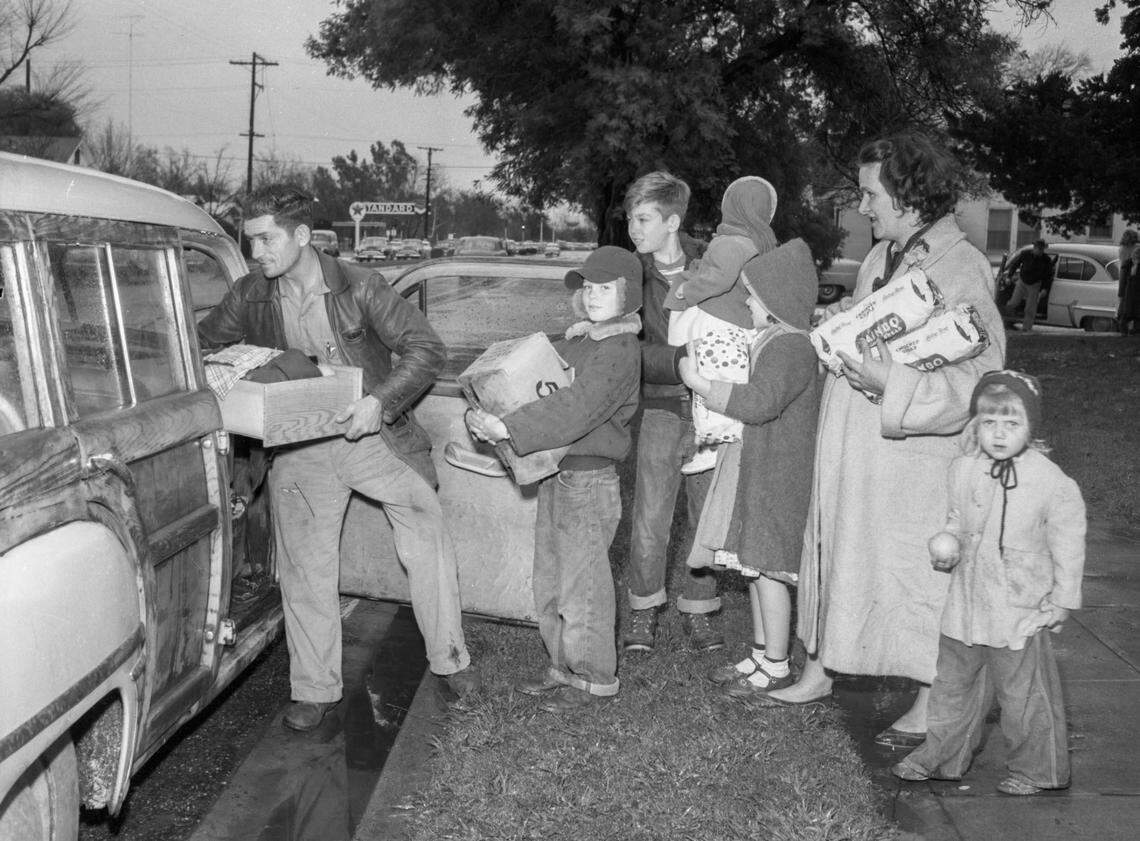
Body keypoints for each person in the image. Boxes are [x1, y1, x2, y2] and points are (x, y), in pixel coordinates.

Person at [198, 186, 478, 732]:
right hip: (299, 444)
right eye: (249, 240)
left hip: (373, 437)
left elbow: (427, 350)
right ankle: (314, 689)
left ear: (302, 237)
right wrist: (231, 368)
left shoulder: (360, 285)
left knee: (427, 533)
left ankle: (450, 660)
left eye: (266, 238)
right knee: (305, 568)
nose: (256, 252)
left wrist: (381, 401)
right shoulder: (249, 295)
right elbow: (201, 344)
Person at [764, 134, 1006, 749]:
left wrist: (893, 384)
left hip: (911, 461)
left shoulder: (960, 265)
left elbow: (983, 378)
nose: (864, 208)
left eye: (872, 194)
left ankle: (934, 699)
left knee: (915, 579)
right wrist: (841, 319)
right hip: (857, 446)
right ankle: (823, 666)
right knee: (841, 553)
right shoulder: (888, 255)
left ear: (907, 191)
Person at [465, 246, 642, 712]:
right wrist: (488, 407)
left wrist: (511, 427)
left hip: (589, 479)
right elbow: (527, 382)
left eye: (606, 288)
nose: (593, 296)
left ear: (630, 294)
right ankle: (563, 667)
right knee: (551, 580)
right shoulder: (579, 340)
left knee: (583, 586)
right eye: (587, 287)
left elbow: (576, 406)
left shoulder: (619, 349)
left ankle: (593, 680)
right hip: (557, 476)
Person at [892, 370, 1086, 796]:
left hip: (1019, 608)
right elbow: (958, 522)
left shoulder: (1051, 482)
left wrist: (1063, 599)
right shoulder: (963, 469)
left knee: (1024, 697)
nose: (998, 434)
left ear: (1031, 427)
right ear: (975, 425)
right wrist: (947, 547)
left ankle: (1040, 769)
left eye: (1011, 424)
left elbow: (1069, 546)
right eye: (988, 423)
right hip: (966, 604)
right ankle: (943, 756)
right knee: (952, 687)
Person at [678, 239, 821, 697]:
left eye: (753, 295)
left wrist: (702, 383)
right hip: (762, 468)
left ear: (777, 300)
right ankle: (761, 654)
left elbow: (759, 404)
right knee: (753, 567)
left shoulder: (791, 348)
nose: (746, 301)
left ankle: (776, 664)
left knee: (771, 569)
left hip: (780, 475)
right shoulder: (776, 342)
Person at [623, 171, 724, 654]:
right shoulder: (630, 276)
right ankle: (643, 611)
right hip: (663, 407)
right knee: (650, 518)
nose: (633, 228)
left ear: (672, 221)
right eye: (629, 218)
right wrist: (677, 362)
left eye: (642, 218)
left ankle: (699, 608)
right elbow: (623, 349)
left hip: (712, 412)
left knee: (706, 517)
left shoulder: (713, 268)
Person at [664, 176, 780, 475]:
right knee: (722, 383)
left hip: (719, 324)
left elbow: (719, 278)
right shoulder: (758, 244)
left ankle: (712, 445)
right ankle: (713, 442)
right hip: (738, 325)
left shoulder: (732, 243)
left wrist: (687, 290)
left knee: (706, 383)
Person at [1002, 239, 1054, 333]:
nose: (1039, 251)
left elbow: (1048, 276)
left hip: (1035, 285)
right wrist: (1009, 277)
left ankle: (1026, 328)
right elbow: (1015, 265)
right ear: (1034, 248)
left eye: (1041, 249)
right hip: (1022, 282)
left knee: (1030, 308)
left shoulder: (1046, 260)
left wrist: (1045, 289)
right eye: (1038, 248)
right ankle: (1004, 321)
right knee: (1013, 303)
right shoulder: (1025, 254)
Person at [1117, 230, 1140, 336]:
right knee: (1134, 305)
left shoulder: (1122, 248)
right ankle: (1134, 329)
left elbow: (1122, 261)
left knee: (1123, 301)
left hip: (1125, 272)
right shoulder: (1137, 246)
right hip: (1134, 274)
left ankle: (1123, 328)